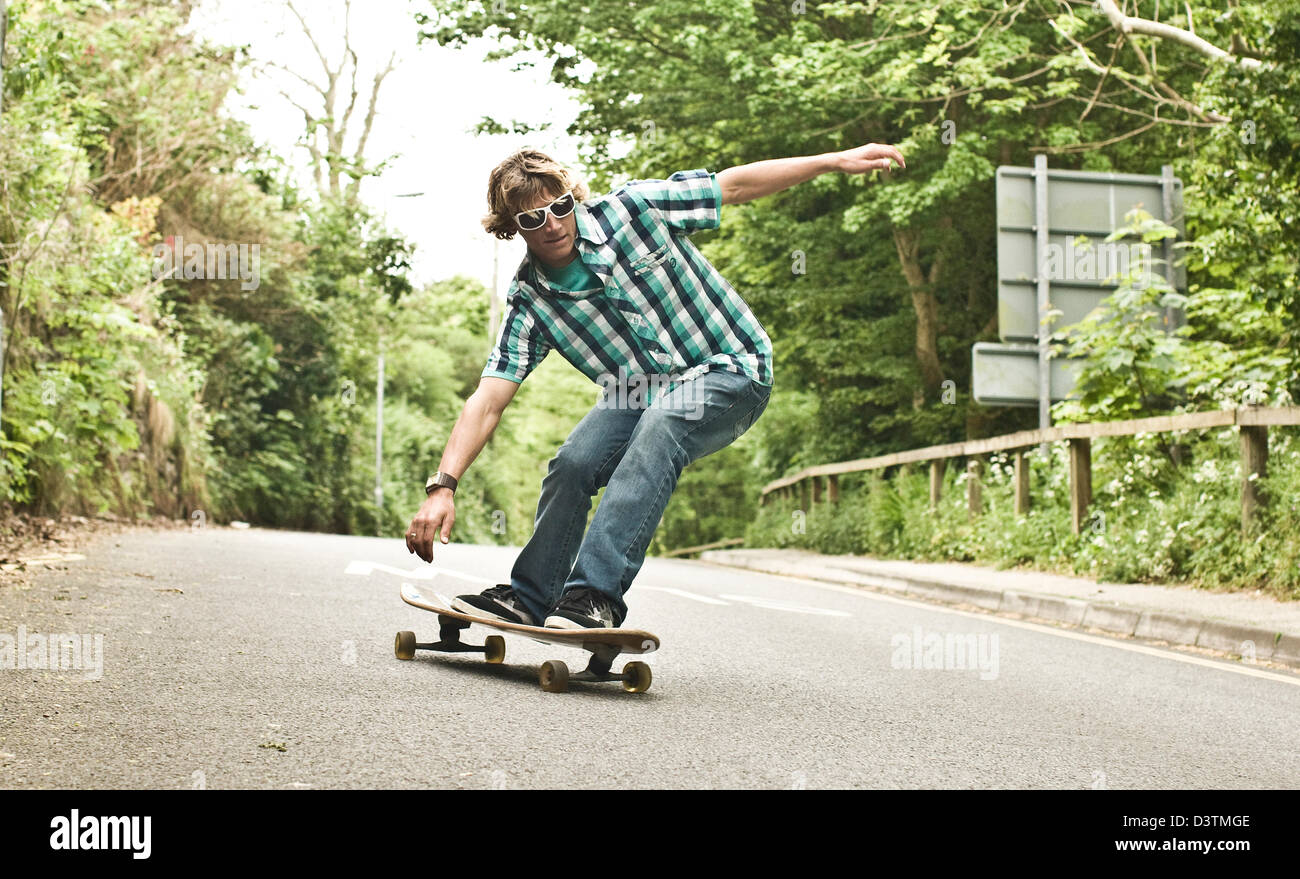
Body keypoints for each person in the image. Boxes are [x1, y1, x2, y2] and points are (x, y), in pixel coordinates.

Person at [405, 143, 905, 629]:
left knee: (663, 423)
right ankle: (530, 596)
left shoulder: (636, 209)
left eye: (559, 208)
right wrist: (442, 487)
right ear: (512, 227)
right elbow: (489, 399)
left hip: (730, 367)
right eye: (533, 219)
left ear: (571, 198)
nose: (553, 225)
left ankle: (592, 596)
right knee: (574, 462)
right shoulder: (530, 301)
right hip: (638, 390)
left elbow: (733, 186)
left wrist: (831, 161)